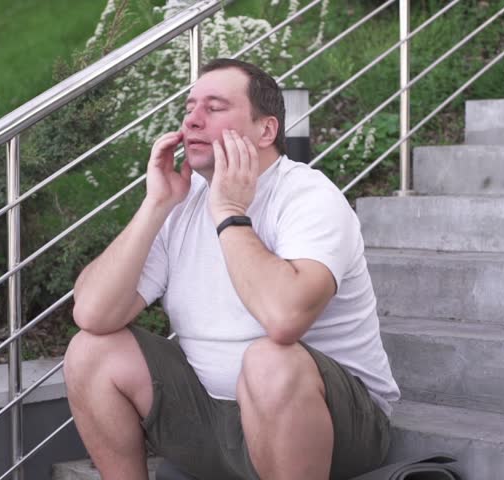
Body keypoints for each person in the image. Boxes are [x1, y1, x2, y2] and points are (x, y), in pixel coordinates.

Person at [63, 58, 399, 480]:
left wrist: (230, 213)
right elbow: (92, 313)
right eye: (189, 109)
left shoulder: (308, 196)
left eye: (215, 107)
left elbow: (284, 320)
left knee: (268, 360)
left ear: (266, 130)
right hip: (214, 417)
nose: (192, 121)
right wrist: (156, 205)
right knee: (90, 350)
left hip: (335, 427)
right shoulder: (181, 202)